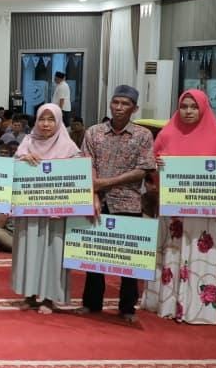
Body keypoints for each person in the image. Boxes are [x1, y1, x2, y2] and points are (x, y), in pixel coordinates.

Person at [143, 89, 216, 324]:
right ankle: (168, 303)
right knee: (172, 253)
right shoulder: (167, 134)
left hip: (204, 213)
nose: (188, 111)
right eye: (184, 106)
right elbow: (150, 167)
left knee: (200, 257)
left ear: (204, 108)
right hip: (173, 211)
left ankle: (197, 310)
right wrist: (156, 166)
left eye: (194, 107)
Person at [75, 85, 155, 324]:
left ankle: (127, 307)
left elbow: (143, 170)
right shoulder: (94, 132)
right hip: (98, 200)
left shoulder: (143, 135)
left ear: (134, 108)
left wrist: (106, 182)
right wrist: (93, 194)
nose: (119, 108)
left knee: (127, 259)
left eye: (125, 104)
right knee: (94, 254)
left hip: (128, 202)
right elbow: (86, 163)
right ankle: (91, 303)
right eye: (116, 102)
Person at [11, 103, 84, 314]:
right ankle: (29, 294)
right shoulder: (28, 141)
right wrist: (23, 160)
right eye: (42, 119)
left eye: (51, 119)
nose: (45, 124)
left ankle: (49, 298)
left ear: (59, 121)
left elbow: (78, 176)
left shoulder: (69, 147)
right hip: (30, 210)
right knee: (29, 250)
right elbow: (13, 168)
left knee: (54, 252)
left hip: (56, 213)